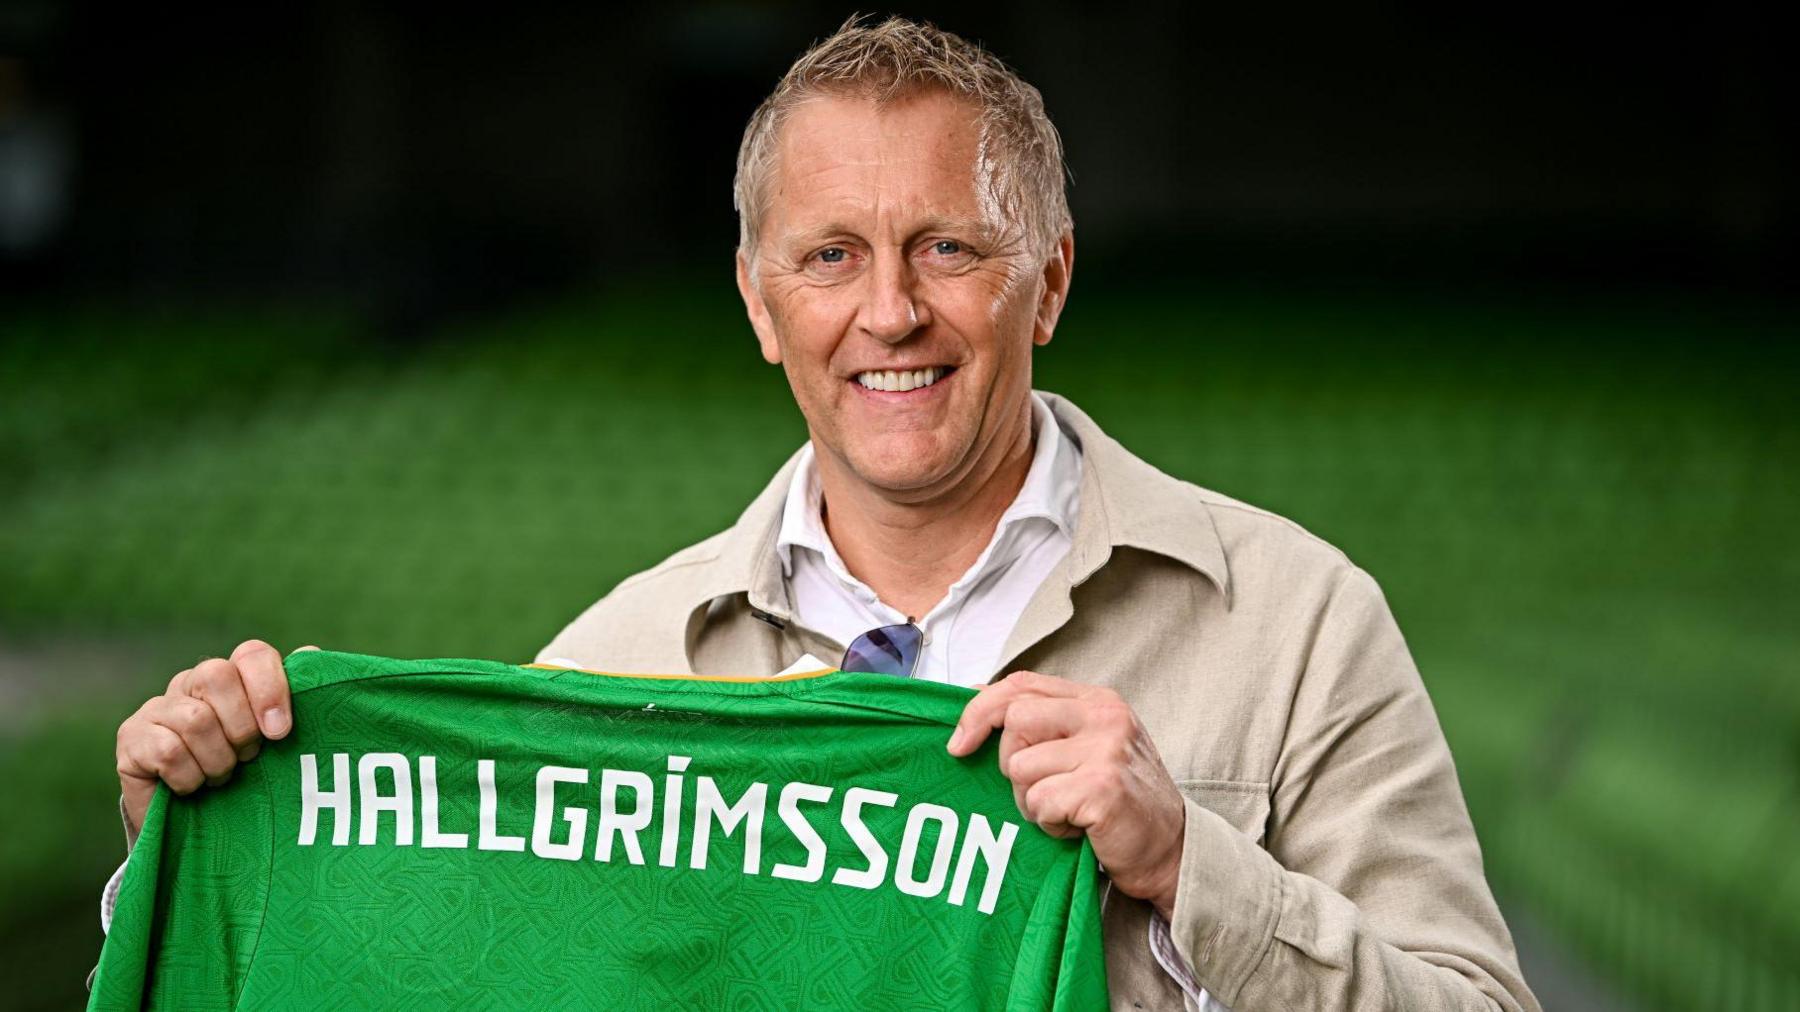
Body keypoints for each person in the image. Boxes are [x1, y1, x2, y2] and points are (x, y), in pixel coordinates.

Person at [104, 16, 1540, 1012]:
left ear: (1048, 281)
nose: (890, 311)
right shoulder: (614, 665)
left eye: (950, 249)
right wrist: (200, 837)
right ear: (759, 303)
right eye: (831, 255)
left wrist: (1187, 865)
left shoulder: (1294, 622)